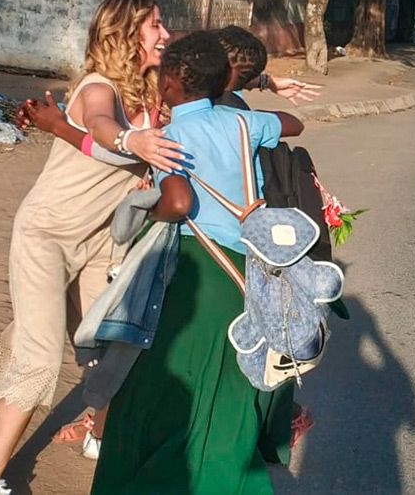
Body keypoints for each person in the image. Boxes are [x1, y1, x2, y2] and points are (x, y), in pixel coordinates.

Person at [0, 0, 184, 495]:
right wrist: (134, 143)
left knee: (112, 350)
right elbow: (104, 127)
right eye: (154, 26)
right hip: (47, 236)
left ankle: (96, 435)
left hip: (100, 243)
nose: (164, 34)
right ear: (127, 35)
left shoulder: (154, 97)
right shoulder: (96, 87)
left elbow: (206, 69)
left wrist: (265, 78)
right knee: (40, 361)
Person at [90, 31, 304, 494]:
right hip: (245, 273)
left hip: (191, 272)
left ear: (168, 84)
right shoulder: (242, 124)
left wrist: (147, 209)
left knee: (159, 396)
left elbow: (179, 201)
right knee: (226, 395)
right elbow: (293, 125)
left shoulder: (169, 136)